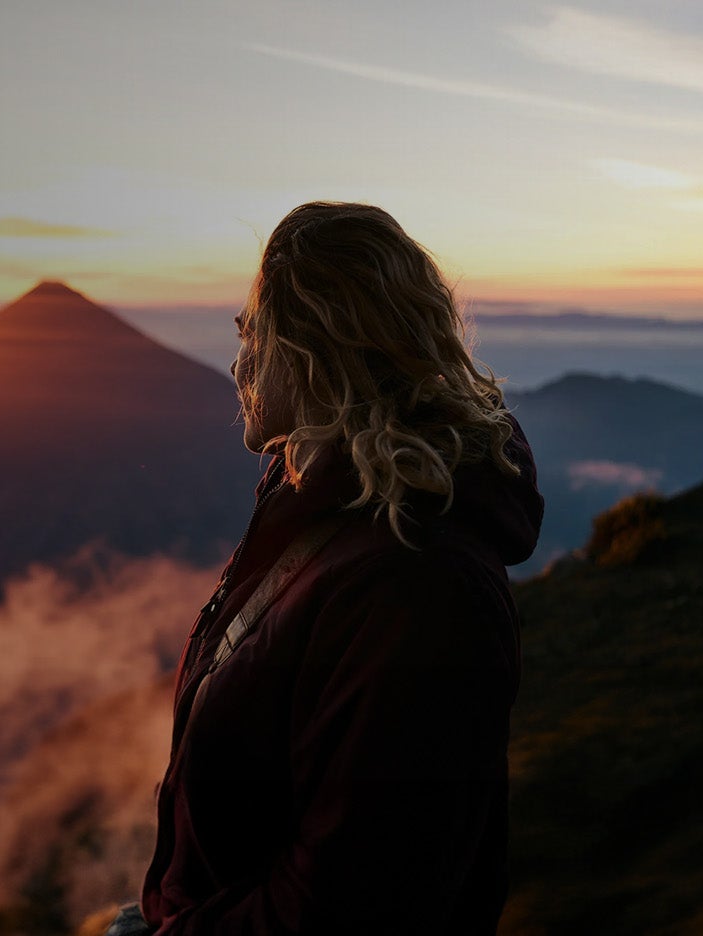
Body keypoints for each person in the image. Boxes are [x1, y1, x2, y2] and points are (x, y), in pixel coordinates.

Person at [115, 201, 544, 935]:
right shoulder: (320, 519)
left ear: (313, 346)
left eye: (251, 332)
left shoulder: (416, 586)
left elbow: (352, 906)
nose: (236, 360)